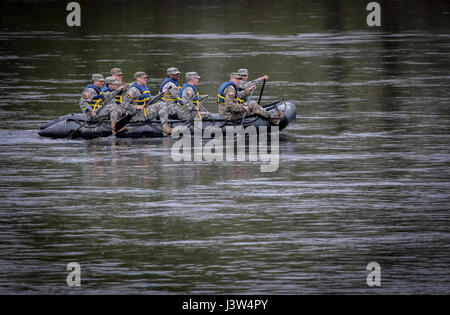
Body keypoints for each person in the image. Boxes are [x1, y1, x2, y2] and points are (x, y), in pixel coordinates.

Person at [121, 71, 173, 136]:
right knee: (162, 105)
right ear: (138, 79)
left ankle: (165, 127)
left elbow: (150, 101)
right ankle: (165, 129)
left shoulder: (145, 88)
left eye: (146, 78)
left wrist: (161, 95)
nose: (146, 79)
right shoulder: (132, 90)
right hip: (137, 115)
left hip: (145, 112)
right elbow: (123, 104)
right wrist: (136, 107)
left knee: (162, 103)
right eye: (143, 78)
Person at [217, 72, 281, 124]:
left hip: (225, 113)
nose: (238, 81)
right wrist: (243, 108)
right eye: (237, 79)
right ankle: (272, 119)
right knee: (252, 104)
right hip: (229, 116)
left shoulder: (229, 86)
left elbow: (238, 95)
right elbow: (229, 106)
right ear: (232, 79)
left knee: (251, 103)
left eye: (239, 80)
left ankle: (265, 115)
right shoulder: (231, 89)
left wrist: (249, 90)